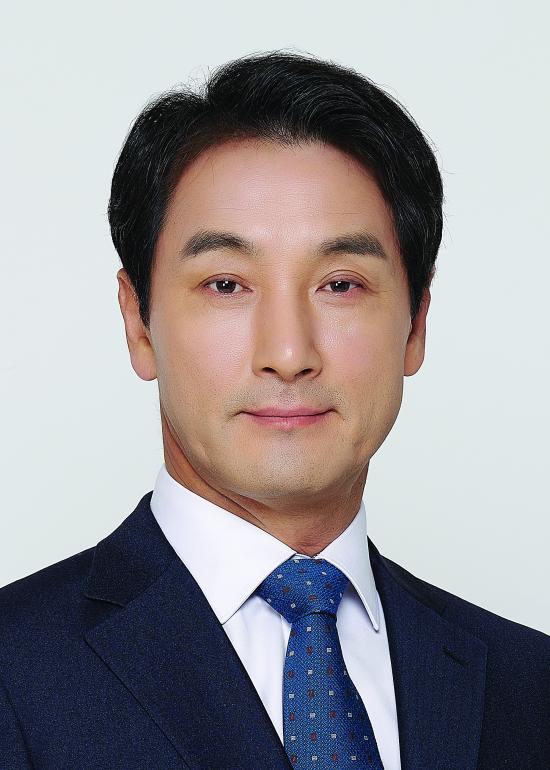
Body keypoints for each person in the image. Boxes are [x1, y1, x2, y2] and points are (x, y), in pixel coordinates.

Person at [0, 50, 548, 770]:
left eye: (341, 284)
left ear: (416, 324)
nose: (288, 354)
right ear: (139, 324)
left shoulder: (529, 686)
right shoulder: (15, 670)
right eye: (227, 284)